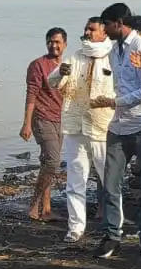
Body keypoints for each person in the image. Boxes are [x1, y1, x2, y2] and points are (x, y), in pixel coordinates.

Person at [95, 2, 141, 260]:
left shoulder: (140, 47)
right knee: (111, 182)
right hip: (119, 125)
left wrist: (115, 102)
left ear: (118, 23)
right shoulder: (114, 49)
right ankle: (112, 235)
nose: (104, 30)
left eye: (106, 24)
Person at [48, 17, 116, 243]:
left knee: (110, 180)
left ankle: (114, 227)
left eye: (92, 29)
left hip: (102, 127)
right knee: (75, 181)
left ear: (104, 32)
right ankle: (75, 228)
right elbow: (52, 81)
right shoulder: (75, 56)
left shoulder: (113, 56)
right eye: (86, 28)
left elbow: (123, 90)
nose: (87, 32)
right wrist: (61, 73)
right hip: (75, 126)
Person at [20, 27, 67, 221]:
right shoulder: (38, 65)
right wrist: (26, 124)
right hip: (41, 117)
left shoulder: (67, 66)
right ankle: (34, 205)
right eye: (50, 41)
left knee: (47, 162)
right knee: (53, 162)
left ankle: (46, 209)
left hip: (61, 119)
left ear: (65, 44)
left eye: (57, 42)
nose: (53, 45)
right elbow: (31, 95)